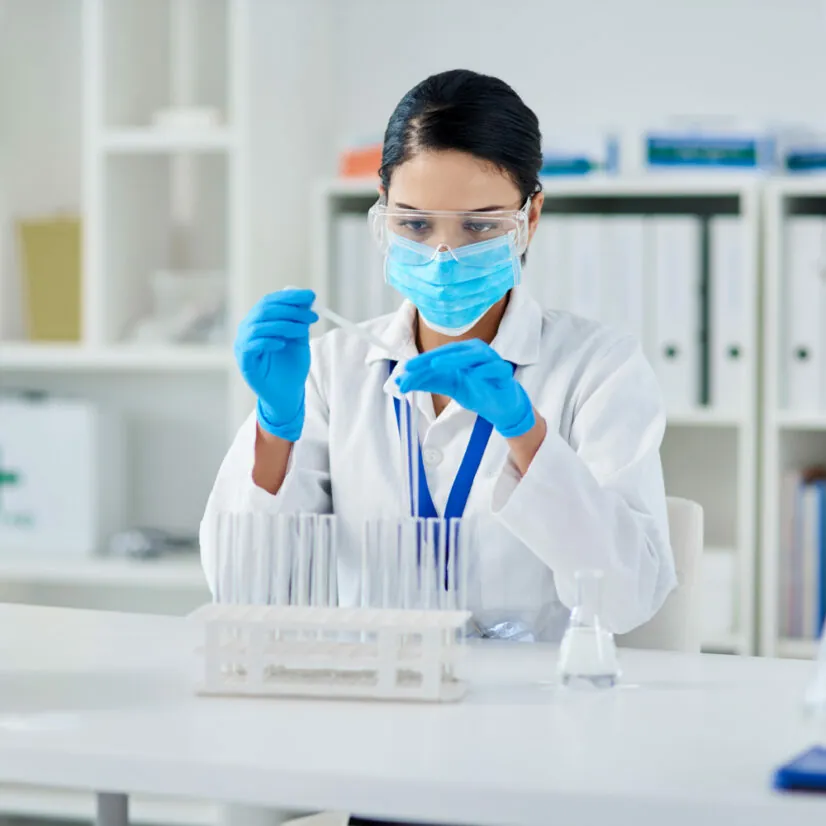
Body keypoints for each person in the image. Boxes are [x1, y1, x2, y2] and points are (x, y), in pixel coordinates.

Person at [201, 68, 676, 641]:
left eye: (479, 226)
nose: (444, 253)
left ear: (530, 217)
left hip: (535, 711)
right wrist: (277, 426)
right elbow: (243, 590)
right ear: (382, 211)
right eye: (416, 223)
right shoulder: (331, 370)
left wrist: (527, 434)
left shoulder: (599, 369)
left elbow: (627, 597)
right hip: (376, 699)